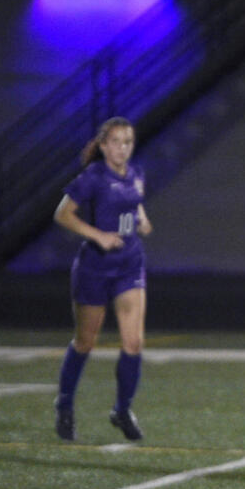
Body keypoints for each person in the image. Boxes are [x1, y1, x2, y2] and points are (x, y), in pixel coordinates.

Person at [52, 117, 152, 442]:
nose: (123, 148)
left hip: (130, 264)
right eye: (117, 142)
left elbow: (134, 206)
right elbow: (62, 214)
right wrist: (99, 235)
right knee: (86, 342)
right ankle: (65, 405)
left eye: (128, 142)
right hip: (95, 267)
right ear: (104, 145)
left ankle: (122, 410)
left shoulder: (136, 173)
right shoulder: (93, 177)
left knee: (134, 342)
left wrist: (142, 220)